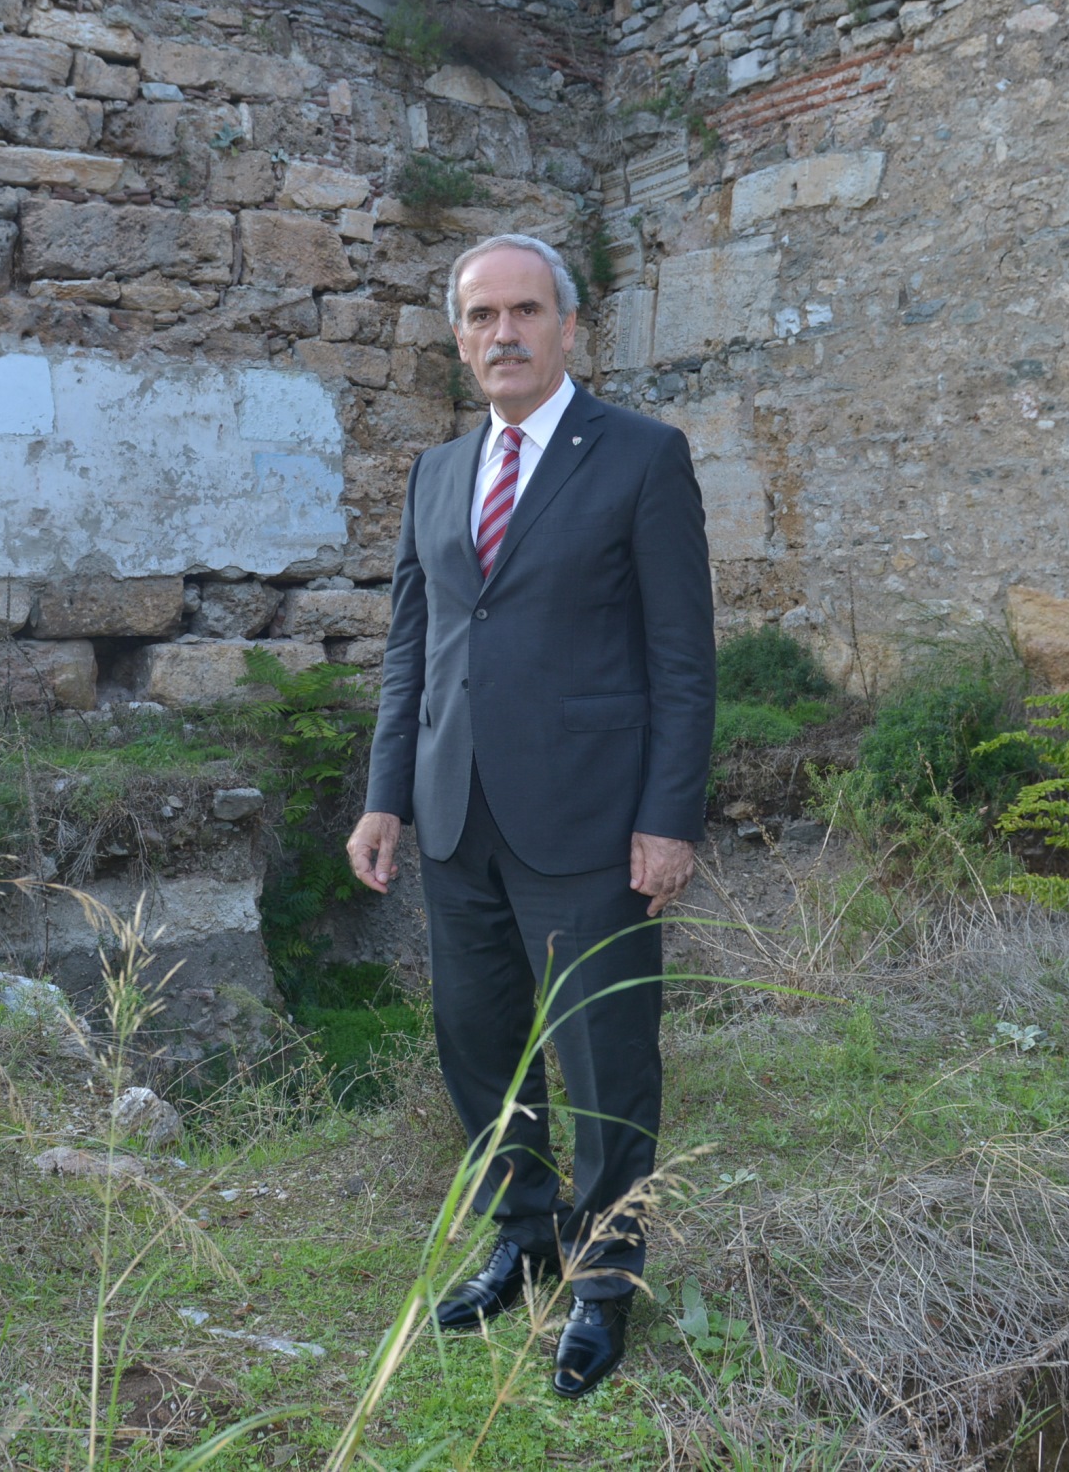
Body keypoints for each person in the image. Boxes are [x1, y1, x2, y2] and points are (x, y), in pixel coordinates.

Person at [346, 233, 716, 1399]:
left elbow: (682, 659)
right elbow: (412, 648)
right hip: (456, 814)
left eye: (523, 311)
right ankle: (523, 1237)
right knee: (479, 1044)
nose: (501, 333)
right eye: (479, 315)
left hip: (594, 820)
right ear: (458, 337)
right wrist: (384, 796)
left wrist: (668, 819)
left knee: (605, 1058)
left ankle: (603, 1283)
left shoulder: (643, 458)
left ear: (567, 327)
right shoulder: (436, 472)